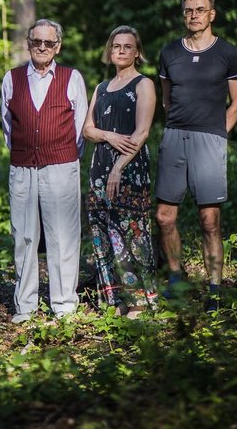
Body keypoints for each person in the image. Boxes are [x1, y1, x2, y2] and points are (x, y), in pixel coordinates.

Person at [155, 0, 237, 312]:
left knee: (209, 220)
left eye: (200, 9)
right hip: (175, 136)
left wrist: (217, 134)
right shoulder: (169, 53)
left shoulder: (227, 53)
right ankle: (177, 279)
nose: (193, 15)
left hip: (210, 139)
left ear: (212, 14)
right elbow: (167, 100)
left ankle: (214, 289)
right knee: (164, 217)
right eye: (188, 10)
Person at [0, 19, 88, 323]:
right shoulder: (11, 79)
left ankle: (64, 305)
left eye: (48, 43)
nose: (42, 47)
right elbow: (8, 127)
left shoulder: (71, 77)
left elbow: (80, 127)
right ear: (28, 42)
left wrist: (62, 156)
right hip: (23, 167)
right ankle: (25, 306)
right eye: (36, 41)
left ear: (57, 46)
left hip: (61, 166)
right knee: (24, 235)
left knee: (62, 235)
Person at [81, 26, 158, 318]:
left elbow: (142, 132)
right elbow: (87, 130)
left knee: (131, 235)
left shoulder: (143, 84)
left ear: (137, 52)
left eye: (127, 46)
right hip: (99, 167)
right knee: (103, 234)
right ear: (109, 51)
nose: (121, 51)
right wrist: (109, 137)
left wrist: (118, 168)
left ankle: (140, 301)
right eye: (116, 46)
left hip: (129, 168)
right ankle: (115, 298)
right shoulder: (101, 87)